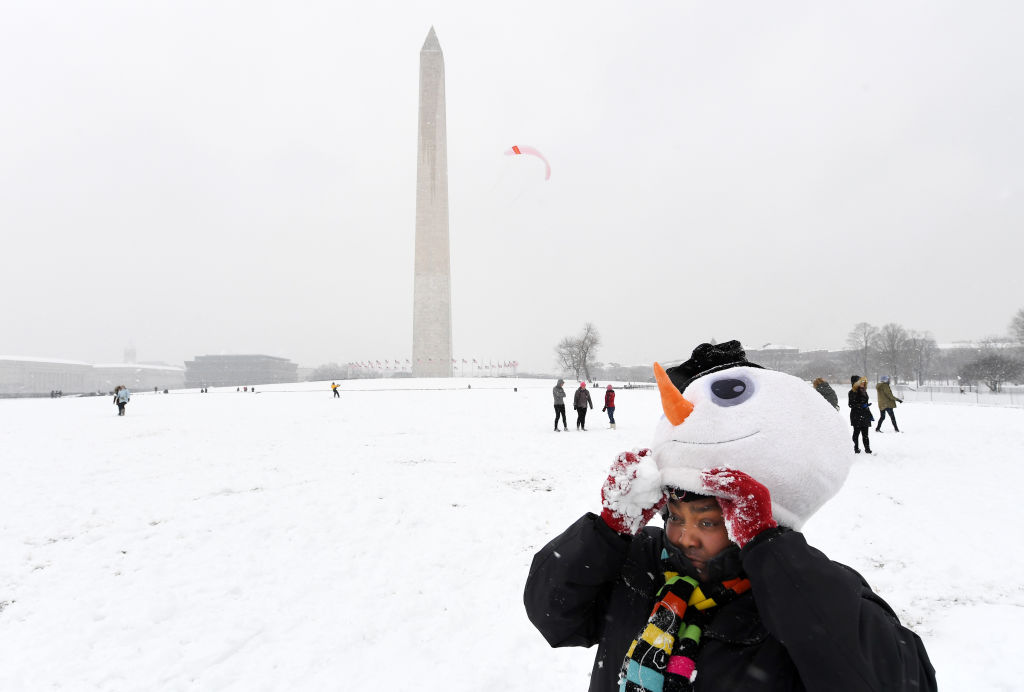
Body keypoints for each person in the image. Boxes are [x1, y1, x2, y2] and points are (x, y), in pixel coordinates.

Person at [524, 341, 936, 692]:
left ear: (751, 518)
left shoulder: (796, 590)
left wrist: (770, 552)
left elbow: (889, 679)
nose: (684, 537)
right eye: (674, 516)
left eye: (707, 522)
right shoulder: (641, 561)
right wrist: (609, 529)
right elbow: (554, 616)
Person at [848, 376, 872, 454]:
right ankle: (855, 448)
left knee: (865, 434)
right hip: (856, 415)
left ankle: (867, 449)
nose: (863, 383)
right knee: (856, 433)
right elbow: (851, 404)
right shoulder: (852, 392)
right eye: (861, 382)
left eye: (864, 382)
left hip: (865, 414)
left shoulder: (864, 390)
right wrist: (861, 406)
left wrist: (866, 406)